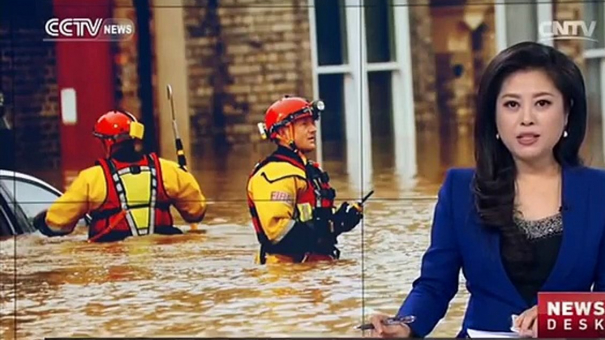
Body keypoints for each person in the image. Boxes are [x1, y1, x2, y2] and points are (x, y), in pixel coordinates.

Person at [367, 42, 605, 338]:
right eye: (511, 105)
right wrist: (404, 324)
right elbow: (434, 285)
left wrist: (558, 317)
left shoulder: (604, 190)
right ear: (494, 116)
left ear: (568, 112)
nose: (526, 119)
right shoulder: (459, 189)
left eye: (542, 103)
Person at [33, 110, 207, 242]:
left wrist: (42, 221)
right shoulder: (170, 170)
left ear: (107, 143)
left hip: (114, 262)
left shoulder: (91, 179)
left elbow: (57, 225)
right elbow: (196, 213)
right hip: (161, 255)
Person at [247, 96, 363, 264]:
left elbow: (312, 220)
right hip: (285, 279)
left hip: (314, 271)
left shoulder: (306, 169)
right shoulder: (274, 174)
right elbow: (279, 233)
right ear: (282, 133)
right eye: (304, 124)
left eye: (312, 122)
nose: (313, 129)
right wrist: (331, 226)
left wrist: (340, 220)